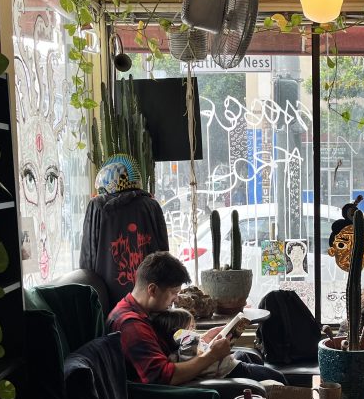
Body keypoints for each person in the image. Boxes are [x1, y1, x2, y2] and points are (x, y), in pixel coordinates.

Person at [107, 251, 285, 385]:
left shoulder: (142, 311)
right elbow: (165, 377)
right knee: (277, 378)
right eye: (173, 293)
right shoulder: (131, 325)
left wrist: (202, 340)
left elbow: (174, 350)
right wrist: (212, 354)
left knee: (249, 358)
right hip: (174, 395)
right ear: (152, 290)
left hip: (188, 372)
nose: (175, 299)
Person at [80, 154, 169, 309]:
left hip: (109, 302)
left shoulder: (97, 206)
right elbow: (164, 252)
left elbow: (88, 256)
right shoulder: (151, 205)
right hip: (150, 299)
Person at [149, 307, 286, 383]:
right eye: (190, 328)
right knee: (278, 377)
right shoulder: (186, 345)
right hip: (230, 370)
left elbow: (196, 351)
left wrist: (205, 338)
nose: (194, 332)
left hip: (226, 364)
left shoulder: (184, 346)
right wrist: (205, 342)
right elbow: (194, 356)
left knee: (245, 355)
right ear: (179, 332)